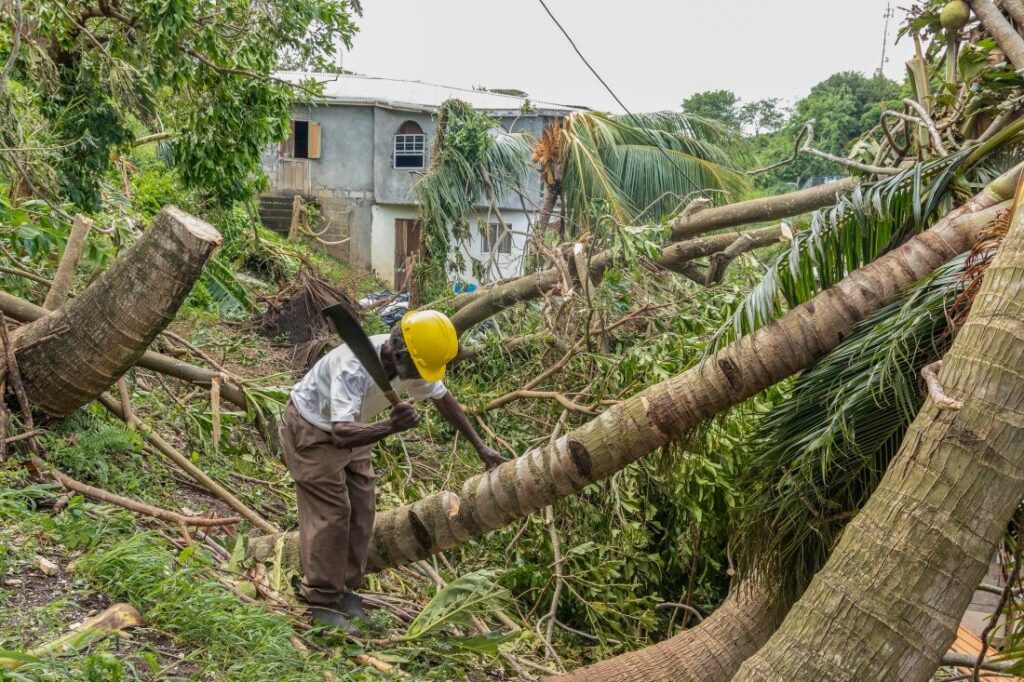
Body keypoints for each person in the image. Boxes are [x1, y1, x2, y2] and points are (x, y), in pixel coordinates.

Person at [280, 309, 508, 631]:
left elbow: (443, 399)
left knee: (363, 508)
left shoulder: (409, 364)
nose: (423, 378)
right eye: (420, 370)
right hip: (313, 429)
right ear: (400, 355)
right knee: (332, 513)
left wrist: (480, 446)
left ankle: (343, 590)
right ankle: (320, 599)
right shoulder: (353, 368)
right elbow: (339, 434)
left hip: (353, 425)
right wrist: (390, 426)